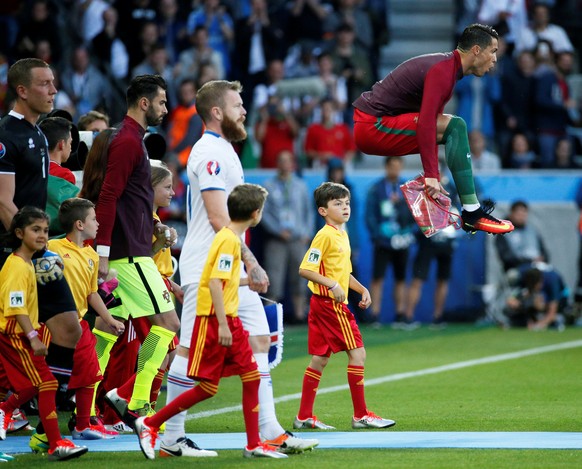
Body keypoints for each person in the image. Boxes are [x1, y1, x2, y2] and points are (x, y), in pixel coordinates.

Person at [164, 79, 318, 457]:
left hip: (229, 261)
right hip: (209, 262)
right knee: (187, 349)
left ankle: (269, 431)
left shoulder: (225, 150)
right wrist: (253, 261)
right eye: (237, 105)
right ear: (217, 112)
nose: (244, 110)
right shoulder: (208, 153)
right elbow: (219, 217)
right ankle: (169, 436)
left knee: (261, 341)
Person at [133, 184, 289, 460]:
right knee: (215, 385)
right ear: (256, 214)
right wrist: (225, 325)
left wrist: (246, 281)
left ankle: (254, 444)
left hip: (225, 318)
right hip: (219, 320)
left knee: (242, 379)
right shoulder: (229, 241)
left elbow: (218, 279)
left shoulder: (227, 237)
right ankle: (151, 423)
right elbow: (215, 284)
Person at [352, 23, 514, 235]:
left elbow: (432, 129)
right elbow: (427, 124)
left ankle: (471, 212)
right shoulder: (443, 70)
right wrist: (431, 175)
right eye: (492, 51)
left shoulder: (447, 68)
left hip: (375, 124)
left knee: (451, 127)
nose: (495, 59)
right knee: (456, 126)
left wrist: (435, 175)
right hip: (373, 126)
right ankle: (472, 213)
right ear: (476, 50)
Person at [0, 58, 82, 452]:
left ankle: (26, 407)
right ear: (22, 90)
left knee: (70, 328)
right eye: (45, 84)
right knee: (17, 337)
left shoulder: (37, 135)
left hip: (39, 248)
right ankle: (28, 414)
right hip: (14, 252)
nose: (53, 90)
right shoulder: (6, 136)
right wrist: (28, 244)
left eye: (53, 83)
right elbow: (4, 202)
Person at [95, 74, 181, 428]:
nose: (165, 108)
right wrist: (102, 253)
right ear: (144, 103)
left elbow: (128, 199)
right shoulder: (128, 141)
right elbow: (109, 196)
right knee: (169, 324)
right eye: (161, 102)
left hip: (128, 248)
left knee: (104, 330)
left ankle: (84, 406)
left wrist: (152, 225)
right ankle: (135, 401)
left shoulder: (133, 140)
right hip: (128, 254)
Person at [294, 182, 395, 430]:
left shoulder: (342, 233)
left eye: (346, 203)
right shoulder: (325, 235)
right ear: (323, 211)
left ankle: (304, 416)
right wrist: (331, 285)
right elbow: (305, 269)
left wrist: (361, 289)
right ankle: (361, 415)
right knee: (358, 354)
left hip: (322, 303)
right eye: (337, 203)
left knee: (319, 359)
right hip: (330, 305)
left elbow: (342, 274)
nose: (344, 207)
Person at [0, 206, 87, 461]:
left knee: (30, 386)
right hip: (15, 336)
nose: (42, 235)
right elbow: (16, 308)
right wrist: (33, 337)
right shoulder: (17, 266)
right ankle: (55, 443)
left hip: (17, 334)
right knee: (47, 382)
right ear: (18, 233)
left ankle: (7, 410)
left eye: (46, 230)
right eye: (35, 229)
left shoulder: (26, 263)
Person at [47, 198, 125, 440]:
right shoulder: (53, 247)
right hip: (53, 325)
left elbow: (92, 294)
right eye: (94, 219)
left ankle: (83, 425)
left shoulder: (92, 255)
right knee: (45, 381)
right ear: (80, 224)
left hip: (80, 325)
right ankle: (9, 412)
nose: (98, 223)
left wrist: (109, 319)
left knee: (91, 371)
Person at [261, 150, 314, 323]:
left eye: (288, 161)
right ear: (277, 164)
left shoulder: (300, 186)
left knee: (300, 278)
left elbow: (309, 211)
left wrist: (307, 232)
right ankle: (270, 320)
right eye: (281, 161)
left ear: (293, 164)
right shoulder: (268, 186)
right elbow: (264, 214)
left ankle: (300, 316)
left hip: (298, 239)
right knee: (274, 279)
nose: (285, 164)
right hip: (277, 239)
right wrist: (277, 230)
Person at [365, 157, 415, 327]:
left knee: (400, 277)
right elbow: (370, 214)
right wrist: (377, 234)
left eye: (398, 166)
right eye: (392, 166)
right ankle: (374, 313)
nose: (395, 170)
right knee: (378, 277)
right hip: (384, 241)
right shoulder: (376, 188)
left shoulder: (406, 189)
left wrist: (408, 232)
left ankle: (400, 313)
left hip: (402, 240)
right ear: (386, 167)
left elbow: (414, 213)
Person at [38, 116, 79, 236]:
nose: (71, 147)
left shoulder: (29, 170)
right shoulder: (64, 175)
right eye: (70, 142)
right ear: (61, 144)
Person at [504, 266, 569, 331]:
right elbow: (511, 299)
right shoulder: (525, 276)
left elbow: (552, 311)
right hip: (536, 307)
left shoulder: (553, 282)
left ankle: (558, 318)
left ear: (540, 282)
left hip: (561, 298)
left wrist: (539, 325)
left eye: (536, 288)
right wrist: (516, 303)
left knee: (551, 314)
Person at [495, 200, 549, 274]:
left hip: (538, 267)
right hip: (517, 269)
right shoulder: (504, 233)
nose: (521, 217)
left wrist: (542, 259)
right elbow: (506, 257)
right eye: (518, 214)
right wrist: (529, 261)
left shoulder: (533, 231)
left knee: (553, 276)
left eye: (524, 214)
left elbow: (544, 253)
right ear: (512, 214)